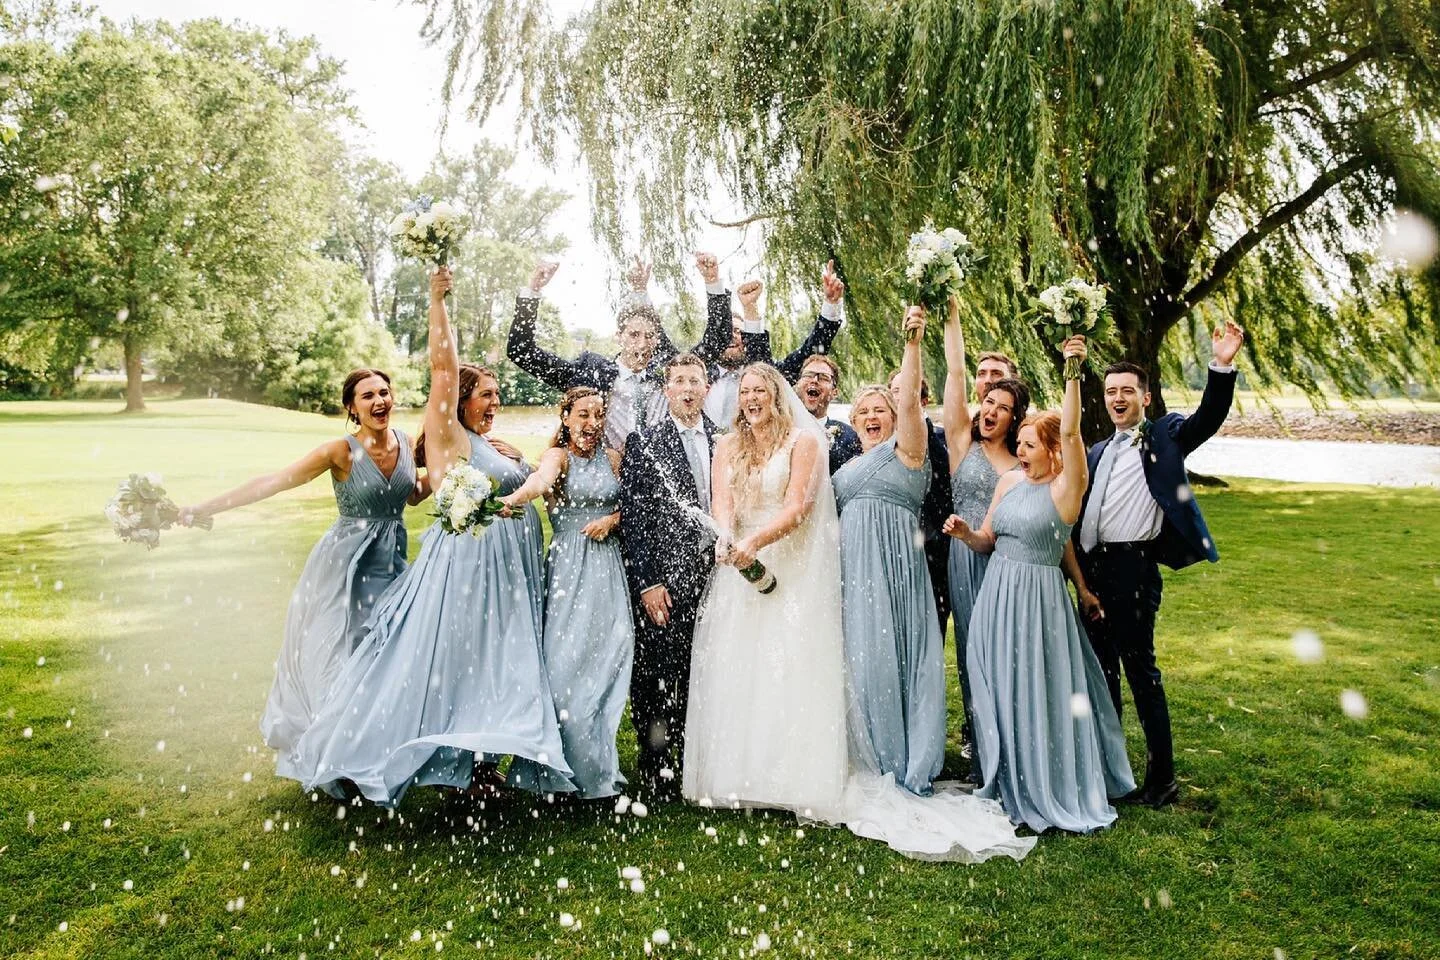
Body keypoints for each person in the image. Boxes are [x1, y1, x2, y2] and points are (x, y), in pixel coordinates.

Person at [683, 361, 1034, 862]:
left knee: (793, 670)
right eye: (747, 391)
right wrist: (727, 537)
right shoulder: (731, 446)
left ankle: (796, 772)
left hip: (804, 558)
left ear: (777, 396)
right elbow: (721, 499)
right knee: (744, 669)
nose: (753, 398)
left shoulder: (834, 444)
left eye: (762, 389)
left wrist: (755, 541)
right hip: (743, 563)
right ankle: (740, 773)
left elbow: (801, 504)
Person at [292, 267, 574, 805]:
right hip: (471, 570)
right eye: (485, 395)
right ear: (460, 400)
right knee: (459, 661)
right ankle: (433, 763)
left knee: (502, 658)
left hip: (511, 569)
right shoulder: (448, 437)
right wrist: (437, 300)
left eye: (497, 395)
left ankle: (482, 764)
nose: (494, 403)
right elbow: (442, 366)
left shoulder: (490, 444)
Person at [179, 369, 427, 775]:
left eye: (384, 392)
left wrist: (454, 479)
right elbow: (274, 482)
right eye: (368, 396)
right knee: (335, 656)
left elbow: (413, 495)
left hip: (391, 563)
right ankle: (333, 755)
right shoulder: (339, 452)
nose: (379, 401)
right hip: (343, 567)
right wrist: (204, 508)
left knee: (385, 654)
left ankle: (369, 750)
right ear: (352, 407)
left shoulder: (404, 442)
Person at [946, 336, 1136, 833]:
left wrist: (1073, 372)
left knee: (1038, 686)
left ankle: (1045, 775)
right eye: (1021, 443)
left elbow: (1072, 432)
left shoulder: (1066, 489)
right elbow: (988, 539)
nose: (1021, 451)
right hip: (995, 599)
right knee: (995, 686)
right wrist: (966, 534)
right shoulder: (1008, 482)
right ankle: (1001, 771)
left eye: (1029, 444)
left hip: (1038, 602)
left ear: (1051, 449)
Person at [1063, 320, 1244, 809]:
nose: (1118, 398)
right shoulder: (1097, 450)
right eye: (1110, 391)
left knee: (1140, 673)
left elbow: (1208, 417)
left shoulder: (1166, 435)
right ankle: (1109, 769)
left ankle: (1162, 780)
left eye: (1127, 391)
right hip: (1092, 572)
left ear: (1145, 397)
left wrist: (1221, 366)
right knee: (1100, 676)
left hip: (1133, 570)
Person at [496, 387, 631, 799]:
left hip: (608, 570)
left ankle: (596, 769)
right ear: (566, 418)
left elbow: (633, 505)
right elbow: (540, 481)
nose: (592, 424)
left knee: (609, 659)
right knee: (565, 667)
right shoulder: (558, 457)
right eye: (583, 415)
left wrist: (613, 518)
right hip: (570, 571)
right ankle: (553, 771)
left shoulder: (613, 458)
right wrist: (514, 499)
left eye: (598, 416)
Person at [837, 308, 945, 796]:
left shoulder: (909, 450)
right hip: (854, 575)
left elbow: (910, 407)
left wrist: (913, 342)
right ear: (854, 422)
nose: (872, 417)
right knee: (863, 659)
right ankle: (868, 752)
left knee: (902, 656)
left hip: (898, 568)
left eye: (881, 409)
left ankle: (908, 755)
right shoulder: (842, 467)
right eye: (863, 412)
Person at [618, 353, 718, 799]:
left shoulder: (724, 440)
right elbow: (636, 521)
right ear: (666, 391)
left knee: (701, 669)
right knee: (657, 671)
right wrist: (648, 582)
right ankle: (657, 764)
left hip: (715, 575)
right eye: (679, 381)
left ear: (707, 389)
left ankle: (697, 756)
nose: (688, 388)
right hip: (665, 577)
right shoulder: (645, 443)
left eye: (695, 381)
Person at [508, 254, 731, 451]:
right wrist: (534, 290)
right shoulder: (591, 371)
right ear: (619, 336)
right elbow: (521, 351)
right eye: (634, 335)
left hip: (661, 475)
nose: (642, 344)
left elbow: (717, 339)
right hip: (611, 472)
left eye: (649, 336)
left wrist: (712, 281)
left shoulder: (670, 371)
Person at [939, 299, 1029, 760]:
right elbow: (956, 374)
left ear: (1015, 418)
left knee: (1007, 651)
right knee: (973, 651)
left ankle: (1011, 737)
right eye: (987, 402)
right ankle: (978, 742)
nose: (990, 410)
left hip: (1009, 563)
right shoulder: (961, 443)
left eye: (1002, 406)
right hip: (965, 558)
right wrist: (953, 315)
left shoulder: (1023, 460)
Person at [707, 260, 848, 425]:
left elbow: (812, 351)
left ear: (746, 339)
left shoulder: (771, 376)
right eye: (725, 332)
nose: (731, 337)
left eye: (738, 331)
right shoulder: (698, 377)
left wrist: (831, 304)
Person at [888, 367, 953, 642]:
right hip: (891, 544)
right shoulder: (880, 440)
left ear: (923, 401)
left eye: (909, 392)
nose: (902, 399)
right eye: (896, 392)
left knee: (931, 630)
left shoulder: (941, 438)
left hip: (933, 548)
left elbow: (945, 487)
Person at [796, 353, 862, 474]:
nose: (814, 380)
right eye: (808, 375)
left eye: (823, 378)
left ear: (834, 392)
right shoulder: (780, 429)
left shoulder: (850, 436)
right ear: (798, 384)